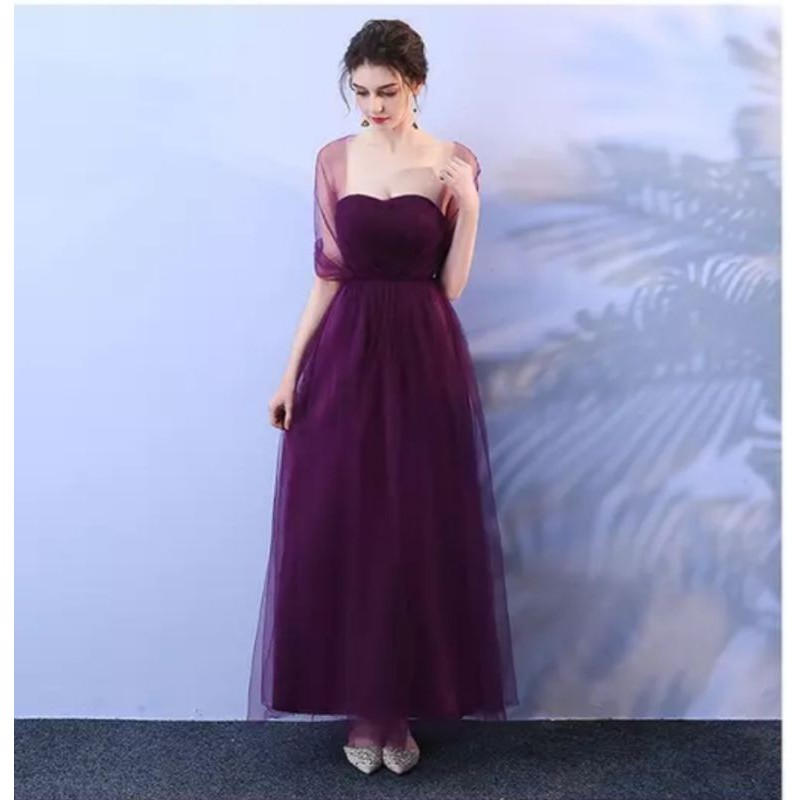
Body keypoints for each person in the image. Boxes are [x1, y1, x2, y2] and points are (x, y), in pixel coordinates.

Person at [247, 18, 518, 775]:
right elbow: (327, 276)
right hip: (346, 357)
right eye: (361, 92)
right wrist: (289, 373)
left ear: (416, 85)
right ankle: (365, 714)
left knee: (414, 526)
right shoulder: (334, 160)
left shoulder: (454, 161)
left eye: (387, 92)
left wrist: (470, 204)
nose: (373, 106)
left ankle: (399, 715)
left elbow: (450, 286)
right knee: (350, 523)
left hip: (425, 354)